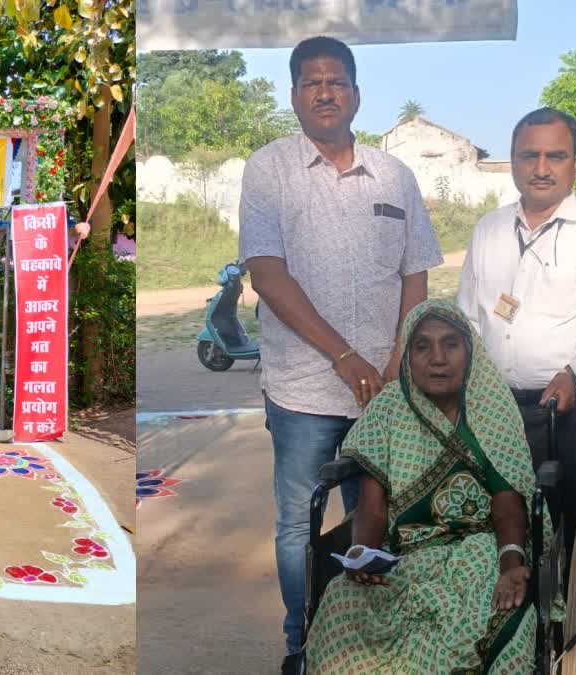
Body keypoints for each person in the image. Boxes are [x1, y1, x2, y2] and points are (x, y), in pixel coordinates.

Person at [238, 36, 444, 671]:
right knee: (299, 523)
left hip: (385, 392)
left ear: (356, 93)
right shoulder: (267, 169)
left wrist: (397, 359)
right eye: (310, 82)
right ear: (295, 95)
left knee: (380, 519)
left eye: (336, 81)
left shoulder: (394, 175)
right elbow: (267, 275)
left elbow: (416, 275)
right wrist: (343, 356)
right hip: (302, 391)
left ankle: (370, 641)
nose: (325, 92)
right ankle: (302, 645)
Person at [456, 107, 576, 642]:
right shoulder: (489, 230)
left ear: (575, 164)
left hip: (570, 405)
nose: (541, 167)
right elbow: (468, 315)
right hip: (495, 405)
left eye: (555, 156)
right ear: (512, 162)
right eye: (529, 155)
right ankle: (517, 633)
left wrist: (573, 374)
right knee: (505, 520)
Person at [304, 300, 545, 674]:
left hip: (480, 549)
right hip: (405, 555)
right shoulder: (388, 410)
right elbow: (372, 506)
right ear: (407, 357)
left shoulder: (490, 406)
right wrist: (363, 554)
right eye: (422, 346)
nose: (438, 358)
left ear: (469, 351)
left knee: (494, 614)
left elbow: (508, 497)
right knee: (341, 602)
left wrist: (510, 562)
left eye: (451, 344)